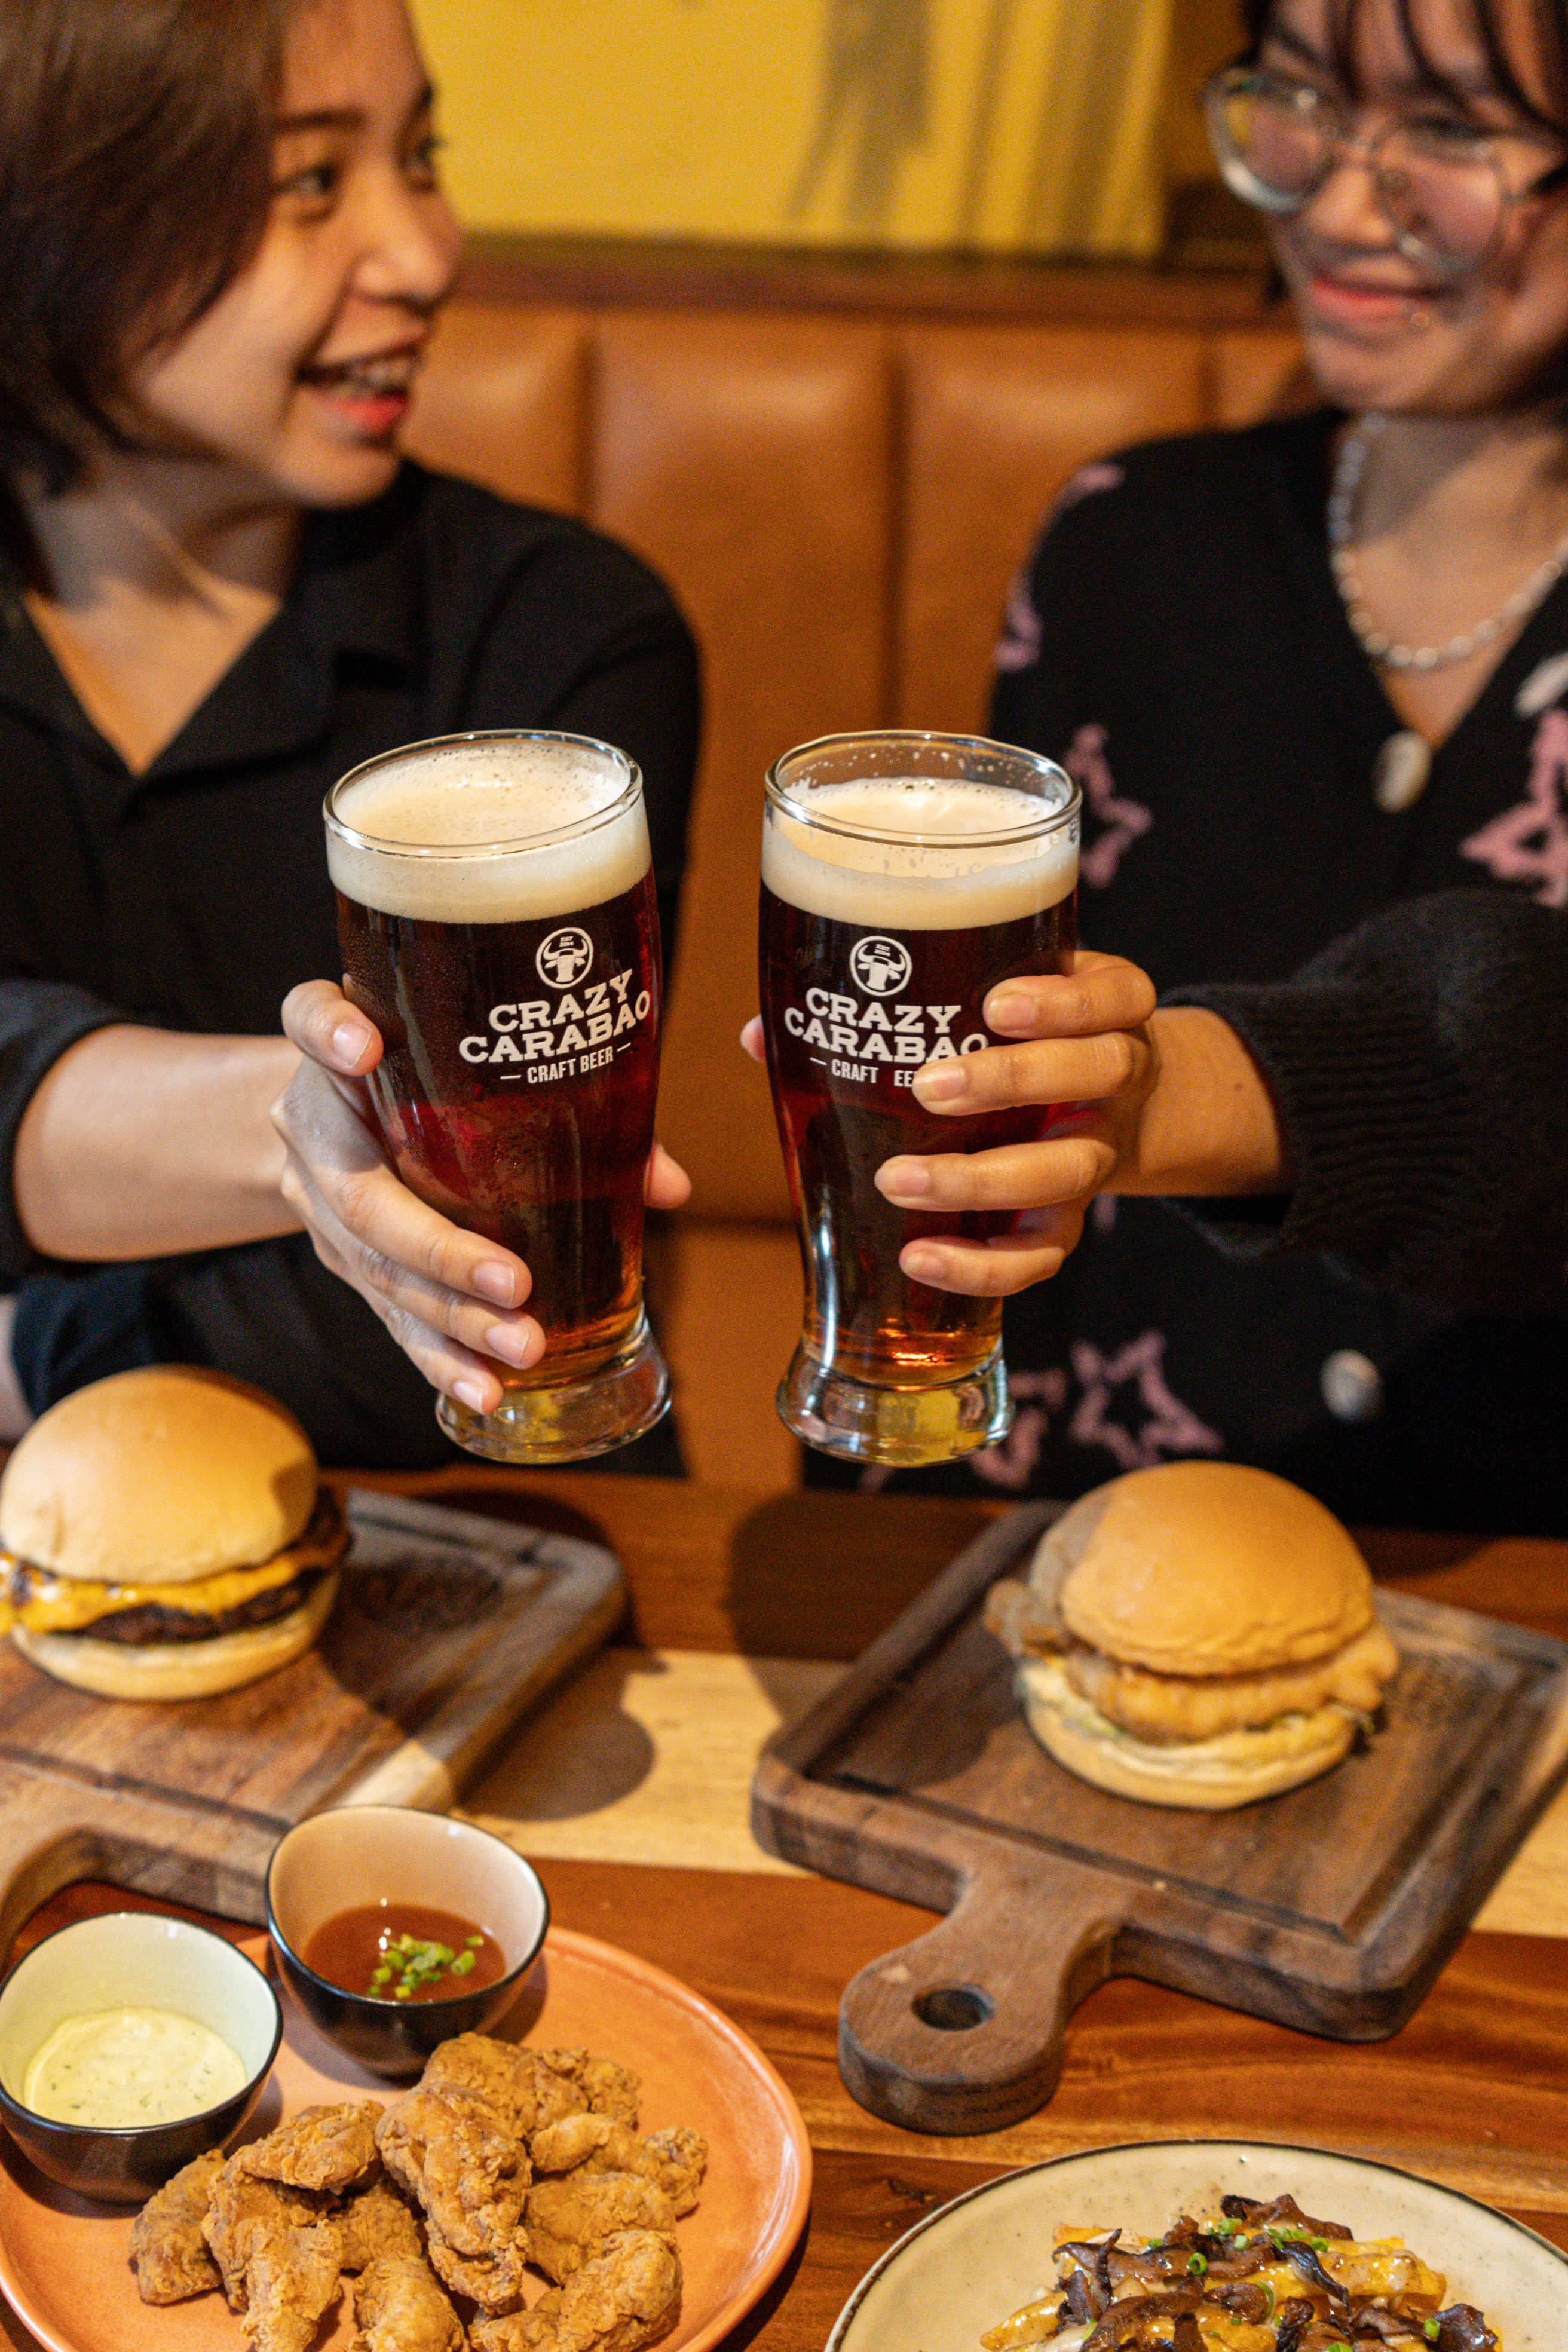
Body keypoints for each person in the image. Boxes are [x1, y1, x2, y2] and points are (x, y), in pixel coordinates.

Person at [804, 0, 1568, 1532]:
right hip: (1103, 1546)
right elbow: (971, 1097)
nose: (1340, 204)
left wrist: (1178, 1098)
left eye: (1449, 130)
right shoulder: (1130, 545)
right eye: (1299, 103)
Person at [0, 0, 698, 1465]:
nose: (427, 255)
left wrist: (26, 1353)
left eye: (420, 156)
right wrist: (311, 1134)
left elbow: (472, 1315)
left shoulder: (555, 636)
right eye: (312, 182)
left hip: (483, 1573)